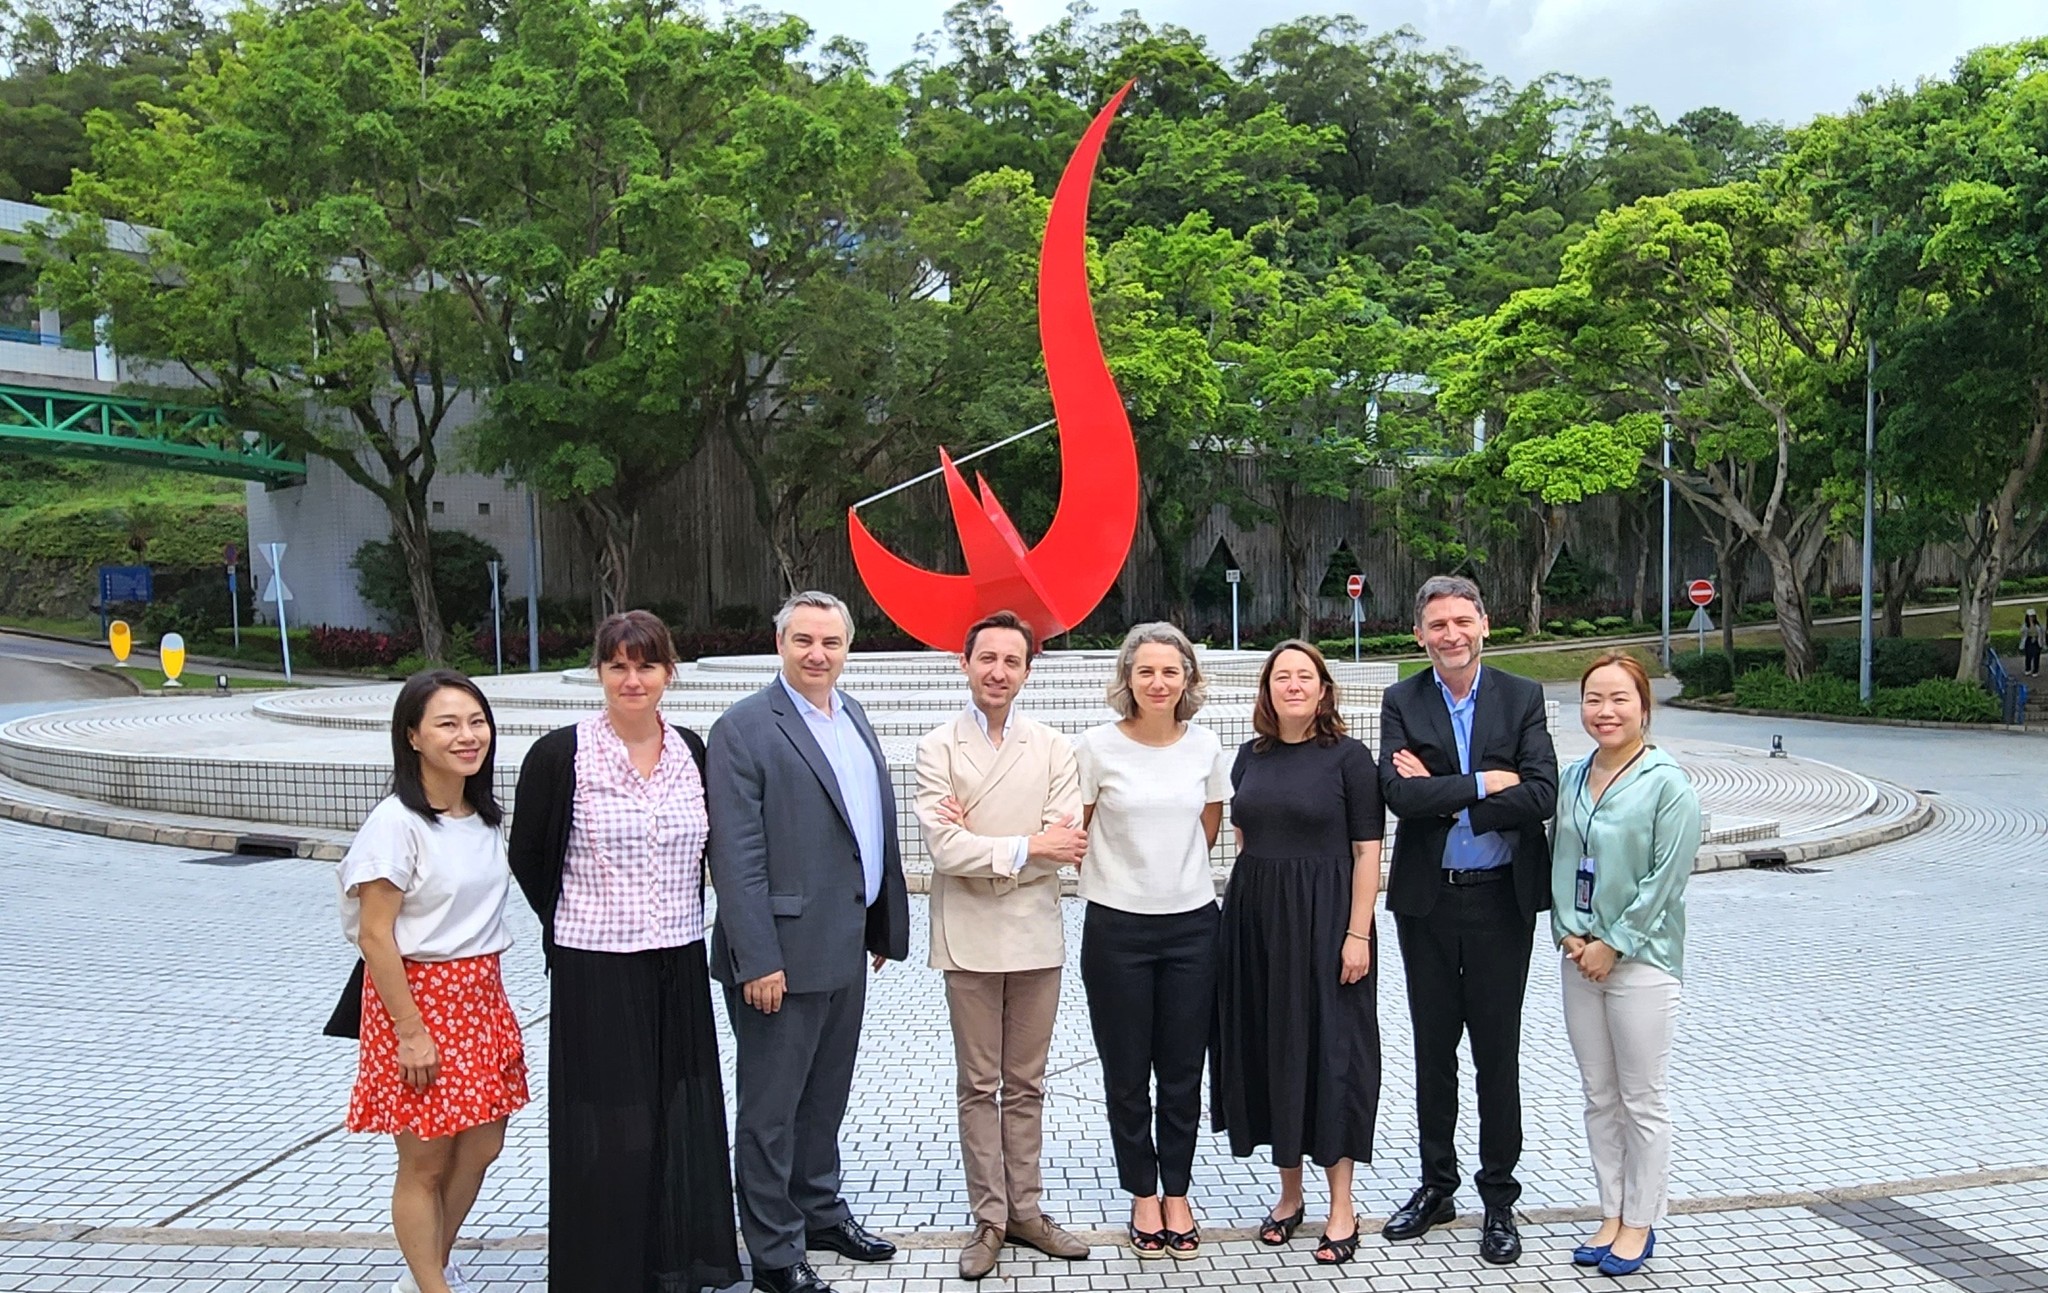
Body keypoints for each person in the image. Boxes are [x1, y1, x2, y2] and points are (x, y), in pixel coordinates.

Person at [506, 610, 743, 1293]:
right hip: (594, 965)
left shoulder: (692, 751)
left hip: (675, 958)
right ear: (599, 671)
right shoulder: (562, 754)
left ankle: (672, 1260)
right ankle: (606, 1270)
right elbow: (528, 854)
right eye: (618, 665)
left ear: (669, 671)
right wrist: (571, 920)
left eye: (646, 664)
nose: (632, 679)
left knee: (676, 1112)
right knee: (612, 1123)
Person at [708, 590, 911, 1293]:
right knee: (770, 1110)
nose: (817, 653)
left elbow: (865, 829)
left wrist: (880, 921)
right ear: (780, 644)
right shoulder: (743, 727)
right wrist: (756, 956)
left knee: (825, 1096)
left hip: (844, 943)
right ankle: (773, 1250)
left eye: (830, 641)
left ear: (847, 647)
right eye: (803, 640)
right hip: (780, 959)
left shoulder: (849, 712)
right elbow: (736, 857)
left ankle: (819, 1210)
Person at [1377, 575, 1558, 1266]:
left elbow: (1540, 791)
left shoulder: (1521, 696)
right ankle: (1437, 1184)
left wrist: (1445, 793)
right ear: (1419, 633)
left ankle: (1499, 1197)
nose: (1450, 634)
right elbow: (1398, 794)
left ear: (1485, 623)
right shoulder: (1403, 698)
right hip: (1428, 901)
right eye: (1437, 624)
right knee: (1432, 1051)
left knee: (1495, 1054)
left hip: (1498, 901)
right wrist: (1488, 782)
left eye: (1462, 620)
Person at [916, 610, 1094, 1281]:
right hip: (966, 934)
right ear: (965, 663)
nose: (998, 671)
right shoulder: (938, 746)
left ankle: (1028, 1210)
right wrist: (1027, 844)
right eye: (986, 657)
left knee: (1026, 1084)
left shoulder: (1053, 745)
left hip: (1034, 933)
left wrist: (991, 843)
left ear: (1027, 669)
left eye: (1011, 660)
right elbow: (943, 846)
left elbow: (1066, 841)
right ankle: (988, 1217)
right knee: (978, 1083)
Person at [338, 669, 528, 1293]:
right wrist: (410, 1032)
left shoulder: (482, 816)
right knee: (424, 1159)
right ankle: (431, 1285)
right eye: (447, 723)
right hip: (420, 1001)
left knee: (481, 1147)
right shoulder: (395, 824)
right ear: (413, 737)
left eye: (476, 721)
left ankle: (430, 1268)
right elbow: (374, 935)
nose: (468, 736)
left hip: (481, 996)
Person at [1214, 640, 1384, 1267]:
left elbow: (1368, 852)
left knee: (1334, 1055)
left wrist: (1356, 932)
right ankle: (1290, 1198)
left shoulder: (1349, 758)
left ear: (1322, 689)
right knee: (1273, 1049)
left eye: (1304, 676)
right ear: (1268, 689)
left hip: (1327, 922)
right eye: (1281, 676)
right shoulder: (1247, 756)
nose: (1292, 685)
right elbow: (1242, 834)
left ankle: (1343, 1206)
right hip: (1257, 922)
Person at [1072, 621, 1230, 1259]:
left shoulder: (1207, 747)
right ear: (1128, 680)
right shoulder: (1095, 748)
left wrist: (1172, 880)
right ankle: (1142, 1191)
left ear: (1188, 678)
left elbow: (1210, 828)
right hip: (1116, 928)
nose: (1159, 682)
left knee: (1183, 1070)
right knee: (1126, 1070)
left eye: (1171, 671)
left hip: (1194, 926)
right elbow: (1077, 832)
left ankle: (1179, 1191)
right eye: (1147, 671)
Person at [1551, 653, 1701, 1278]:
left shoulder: (1669, 784)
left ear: (1644, 706)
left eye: (1619, 699)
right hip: (1578, 957)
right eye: (1593, 699)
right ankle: (1610, 1211)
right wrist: (1570, 933)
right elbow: (1560, 859)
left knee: (1642, 1099)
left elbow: (1666, 878)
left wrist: (1613, 941)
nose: (1605, 711)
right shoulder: (1573, 775)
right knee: (1598, 1096)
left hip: (1641, 962)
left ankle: (1640, 1220)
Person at [2022, 609, 2043, 677]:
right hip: (2029, 640)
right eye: (2030, 616)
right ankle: (2028, 669)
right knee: (2028, 656)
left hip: (2036, 641)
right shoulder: (2025, 625)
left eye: (2032, 616)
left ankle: (2035, 670)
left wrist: (2041, 642)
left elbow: (2041, 633)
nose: (2031, 618)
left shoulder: (2038, 625)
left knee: (2036, 656)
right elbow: (2023, 633)